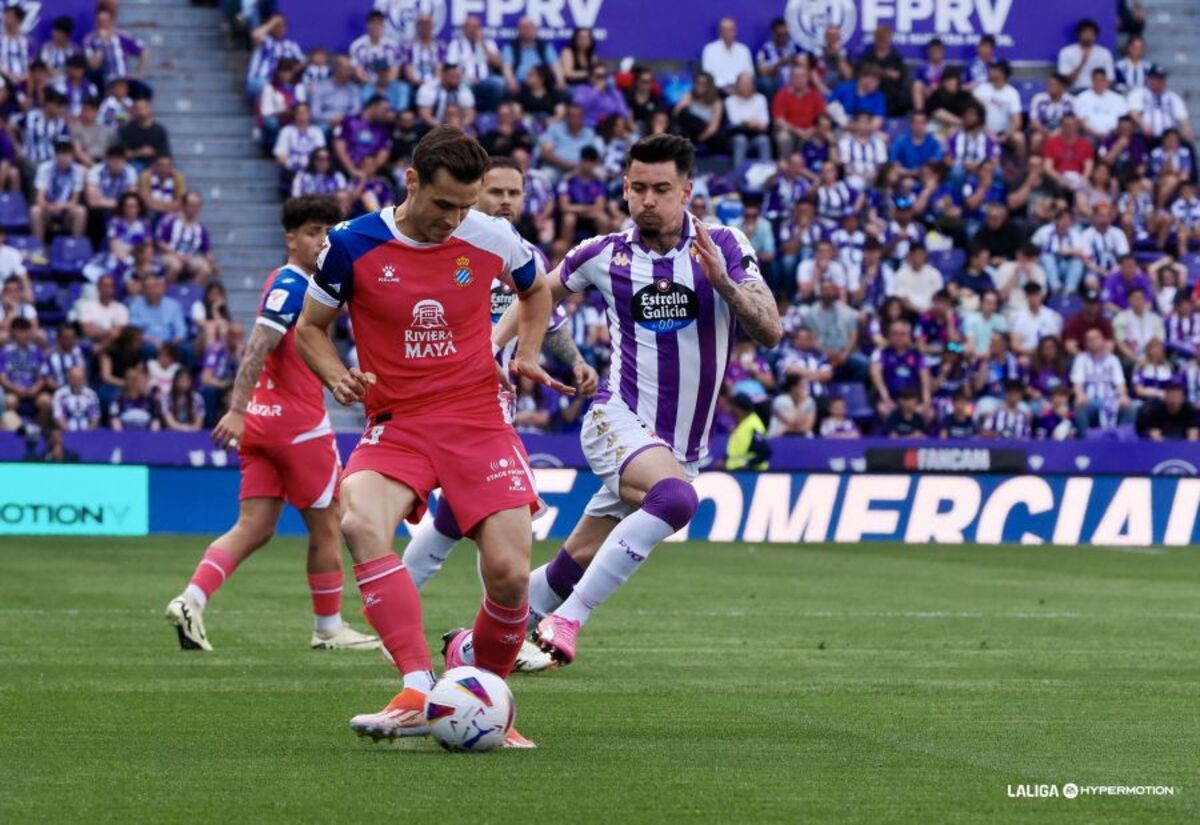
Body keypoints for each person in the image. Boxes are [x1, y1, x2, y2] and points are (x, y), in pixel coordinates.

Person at [296, 127, 566, 748]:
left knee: (507, 575)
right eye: (444, 205)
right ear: (412, 181)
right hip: (398, 422)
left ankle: (489, 704)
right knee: (360, 521)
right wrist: (337, 374)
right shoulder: (351, 244)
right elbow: (312, 327)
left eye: (465, 207)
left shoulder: (492, 236)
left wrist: (525, 351)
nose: (455, 220)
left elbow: (537, 289)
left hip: (477, 418)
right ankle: (418, 687)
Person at [503, 134, 780, 669]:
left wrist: (722, 282)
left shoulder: (723, 244)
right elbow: (535, 292)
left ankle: (473, 644)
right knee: (676, 502)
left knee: (572, 564)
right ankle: (572, 620)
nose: (648, 199)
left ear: (687, 191)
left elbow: (769, 330)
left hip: (678, 448)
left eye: (661, 188)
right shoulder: (601, 254)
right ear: (625, 190)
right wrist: (499, 350)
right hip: (618, 418)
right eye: (637, 188)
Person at [398, 156, 597, 672]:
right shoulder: (450, 244)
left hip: (495, 403)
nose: (506, 202)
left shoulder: (517, 253)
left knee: (460, 521)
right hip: (447, 404)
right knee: (498, 520)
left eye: (515, 193)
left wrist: (575, 362)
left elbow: (544, 315)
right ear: (473, 195)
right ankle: (509, 627)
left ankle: (399, 616)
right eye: (496, 193)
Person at [165, 196, 378, 654]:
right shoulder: (294, 284)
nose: (322, 240)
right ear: (290, 239)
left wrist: (247, 411)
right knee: (328, 525)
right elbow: (258, 343)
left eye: (327, 232)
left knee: (255, 526)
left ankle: (191, 599)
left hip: (263, 424)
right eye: (312, 232)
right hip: (297, 427)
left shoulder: (284, 281)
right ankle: (328, 627)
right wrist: (235, 407)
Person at [1057, 18, 1114, 95]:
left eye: (1091, 33)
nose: (1088, 36)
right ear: (1078, 34)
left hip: (1098, 93)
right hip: (1074, 92)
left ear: (1095, 35)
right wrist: (1082, 62)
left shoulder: (1104, 53)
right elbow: (1065, 81)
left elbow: (1110, 79)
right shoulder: (1066, 52)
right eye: (1085, 32)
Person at [701, 18, 754, 94]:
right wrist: (723, 88)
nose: (728, 33)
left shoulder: (744, 50)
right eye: (724, 30)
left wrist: (739, 87)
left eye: (730, 30)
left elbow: (749, 73)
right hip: (718, 89)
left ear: (735, 31)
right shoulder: (710, 49)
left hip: (741, 90)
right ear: (720, 32)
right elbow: (707, 74)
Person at [724, 393, 770, 469]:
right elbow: (737, 450)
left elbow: (765, 451)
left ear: (740, 409)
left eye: (734, 407)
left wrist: (748, 464)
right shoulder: (742, 424)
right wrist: (724, 460)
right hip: (737, 472)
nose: (731, 410)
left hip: (752, 474)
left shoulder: (753, 425)